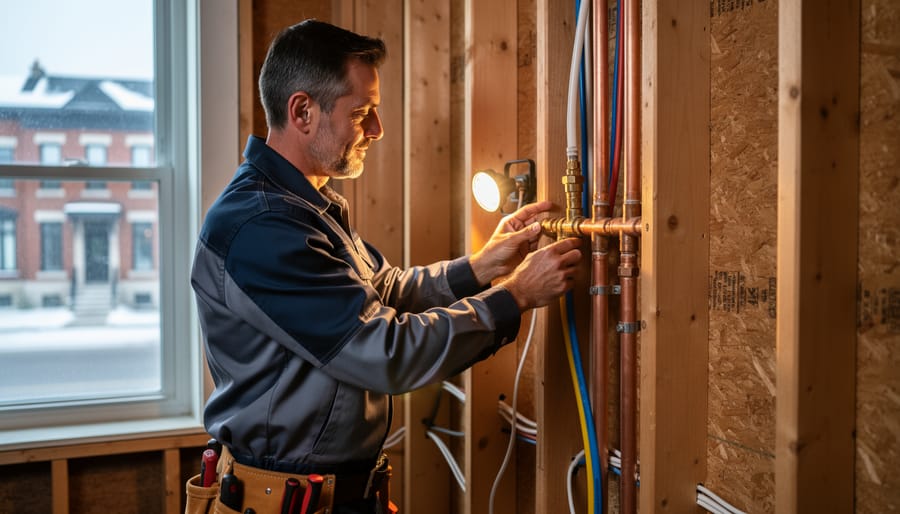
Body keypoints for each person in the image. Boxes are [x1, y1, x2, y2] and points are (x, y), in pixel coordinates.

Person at [190, 19, 581, 514]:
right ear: (303, 111)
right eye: (363, 113)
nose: (377, 130)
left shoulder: (305, 206)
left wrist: (481, 267)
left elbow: (383, 293)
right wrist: (515, 296)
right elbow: (385, 350)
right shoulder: (260, 227)